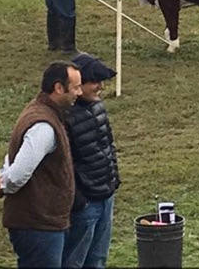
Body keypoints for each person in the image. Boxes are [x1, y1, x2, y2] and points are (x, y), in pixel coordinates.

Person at [0, 61, 83, 269]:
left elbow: (14, 156)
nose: (79, 92)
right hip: (38, 225)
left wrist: (3, 179)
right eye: (75, 87)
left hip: (40, 224)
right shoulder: (44, 127)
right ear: (58, 88)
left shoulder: (39, 112)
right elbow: (20, 170)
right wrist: (4, 184)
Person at [62, 53, 121, 269]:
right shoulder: (64, 117)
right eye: (95, 82)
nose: (100, 87)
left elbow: (108, 145)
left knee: (97, 260)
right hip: (85, 202)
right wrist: (78, 198)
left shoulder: (98, 107)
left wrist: (113, 180)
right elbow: (62, 164)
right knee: (73, 261)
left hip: (106, 195)